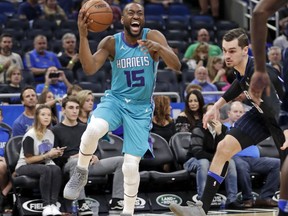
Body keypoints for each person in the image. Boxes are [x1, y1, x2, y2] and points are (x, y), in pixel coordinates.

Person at [63, 2, 181, 216]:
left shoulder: (153, 36)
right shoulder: (111, 42)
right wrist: (82, 35)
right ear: (122, 19)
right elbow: (89, 68)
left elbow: (177, 66)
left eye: (140, 13)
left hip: (141, 108)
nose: (136, 16)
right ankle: (81, 171)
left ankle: (127, 212)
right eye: (131, 13)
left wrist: (161, 49)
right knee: (93, 129)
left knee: (130, 165)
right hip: (116, 100)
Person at [169, 28, 286, 216]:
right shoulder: (242, 71)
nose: (227, 55)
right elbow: (238, 85)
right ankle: (201, 209)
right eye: (224, 50)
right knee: (224, 147)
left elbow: (277, 106)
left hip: (281, 118)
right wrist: (217, 105)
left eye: (232, 51)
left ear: (245, 50)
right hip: (261, 115)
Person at [52, 96, 124, 215]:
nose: (74, 111)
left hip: (89, 163)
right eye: (71, 108)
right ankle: (82, 204)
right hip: (70, 165)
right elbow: (55, 157)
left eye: (76, 108)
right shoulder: (56, 130)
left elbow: (96, 149)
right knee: (77, 163)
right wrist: (70, 157)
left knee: (121, 161)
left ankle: (116, 201)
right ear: (63, 110)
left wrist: (95, 155)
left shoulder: (85, 127)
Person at [226, 101, 279, 208]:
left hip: (254, 160)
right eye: (235, 111)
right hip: (236, 158)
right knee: (241, 166)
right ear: (229, 113)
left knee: (277, 163)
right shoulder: (225, 127)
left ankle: (265, 197)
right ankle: (247, 198)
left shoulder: (248, 127)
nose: (238, 114)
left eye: (241, 112)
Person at [188, 103, 241, 209]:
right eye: (210, 113)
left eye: (215, 112)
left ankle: (232, 199)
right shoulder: (198, 129)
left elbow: (226, 150)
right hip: (193, 160)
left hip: (212, 160)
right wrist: (217, 159)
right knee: (204, 163)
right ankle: (202, 201)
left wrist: (219, 134)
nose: (213, 115)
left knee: (230, 162)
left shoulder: (224, 130)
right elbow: (198, 152)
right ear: (205, 115)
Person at [15, 104, 64, 216]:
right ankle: (46, 205)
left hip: (43, 164)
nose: (47, 117)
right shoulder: (30, 135)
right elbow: (29, 160)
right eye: (43, 115)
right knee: (46, 170)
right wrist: (47, 155)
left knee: (56, 169)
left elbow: (46, 154)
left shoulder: (50, 134)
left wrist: (55, 154)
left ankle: (53, 204)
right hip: (24, 166)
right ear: (37, 117)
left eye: (49, 115)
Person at [0, 109, 13, 214]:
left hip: (6, 162)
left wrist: (7, 158)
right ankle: (4, 198)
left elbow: (12, 150)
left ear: (1, 118)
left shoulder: (7, 132)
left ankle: (4, 196)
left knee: (3, 166)